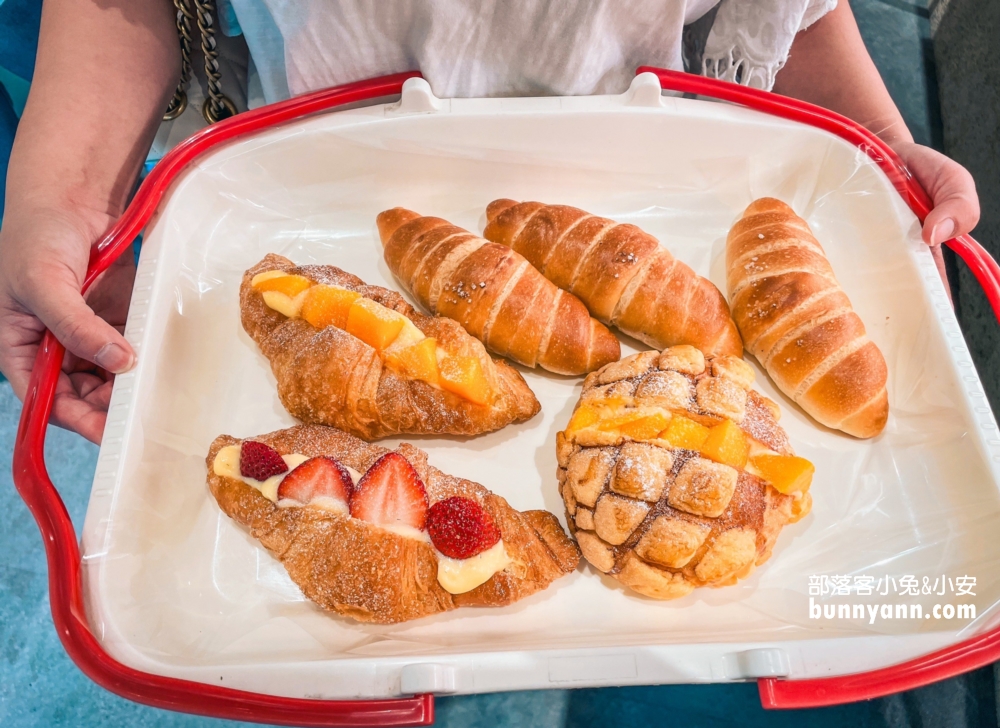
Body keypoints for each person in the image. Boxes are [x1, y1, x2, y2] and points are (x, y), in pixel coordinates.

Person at [0, 0, 980, 444]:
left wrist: (876, 151)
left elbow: (791, 14)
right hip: (311, 187)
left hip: (651, 185)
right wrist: (63, 199)